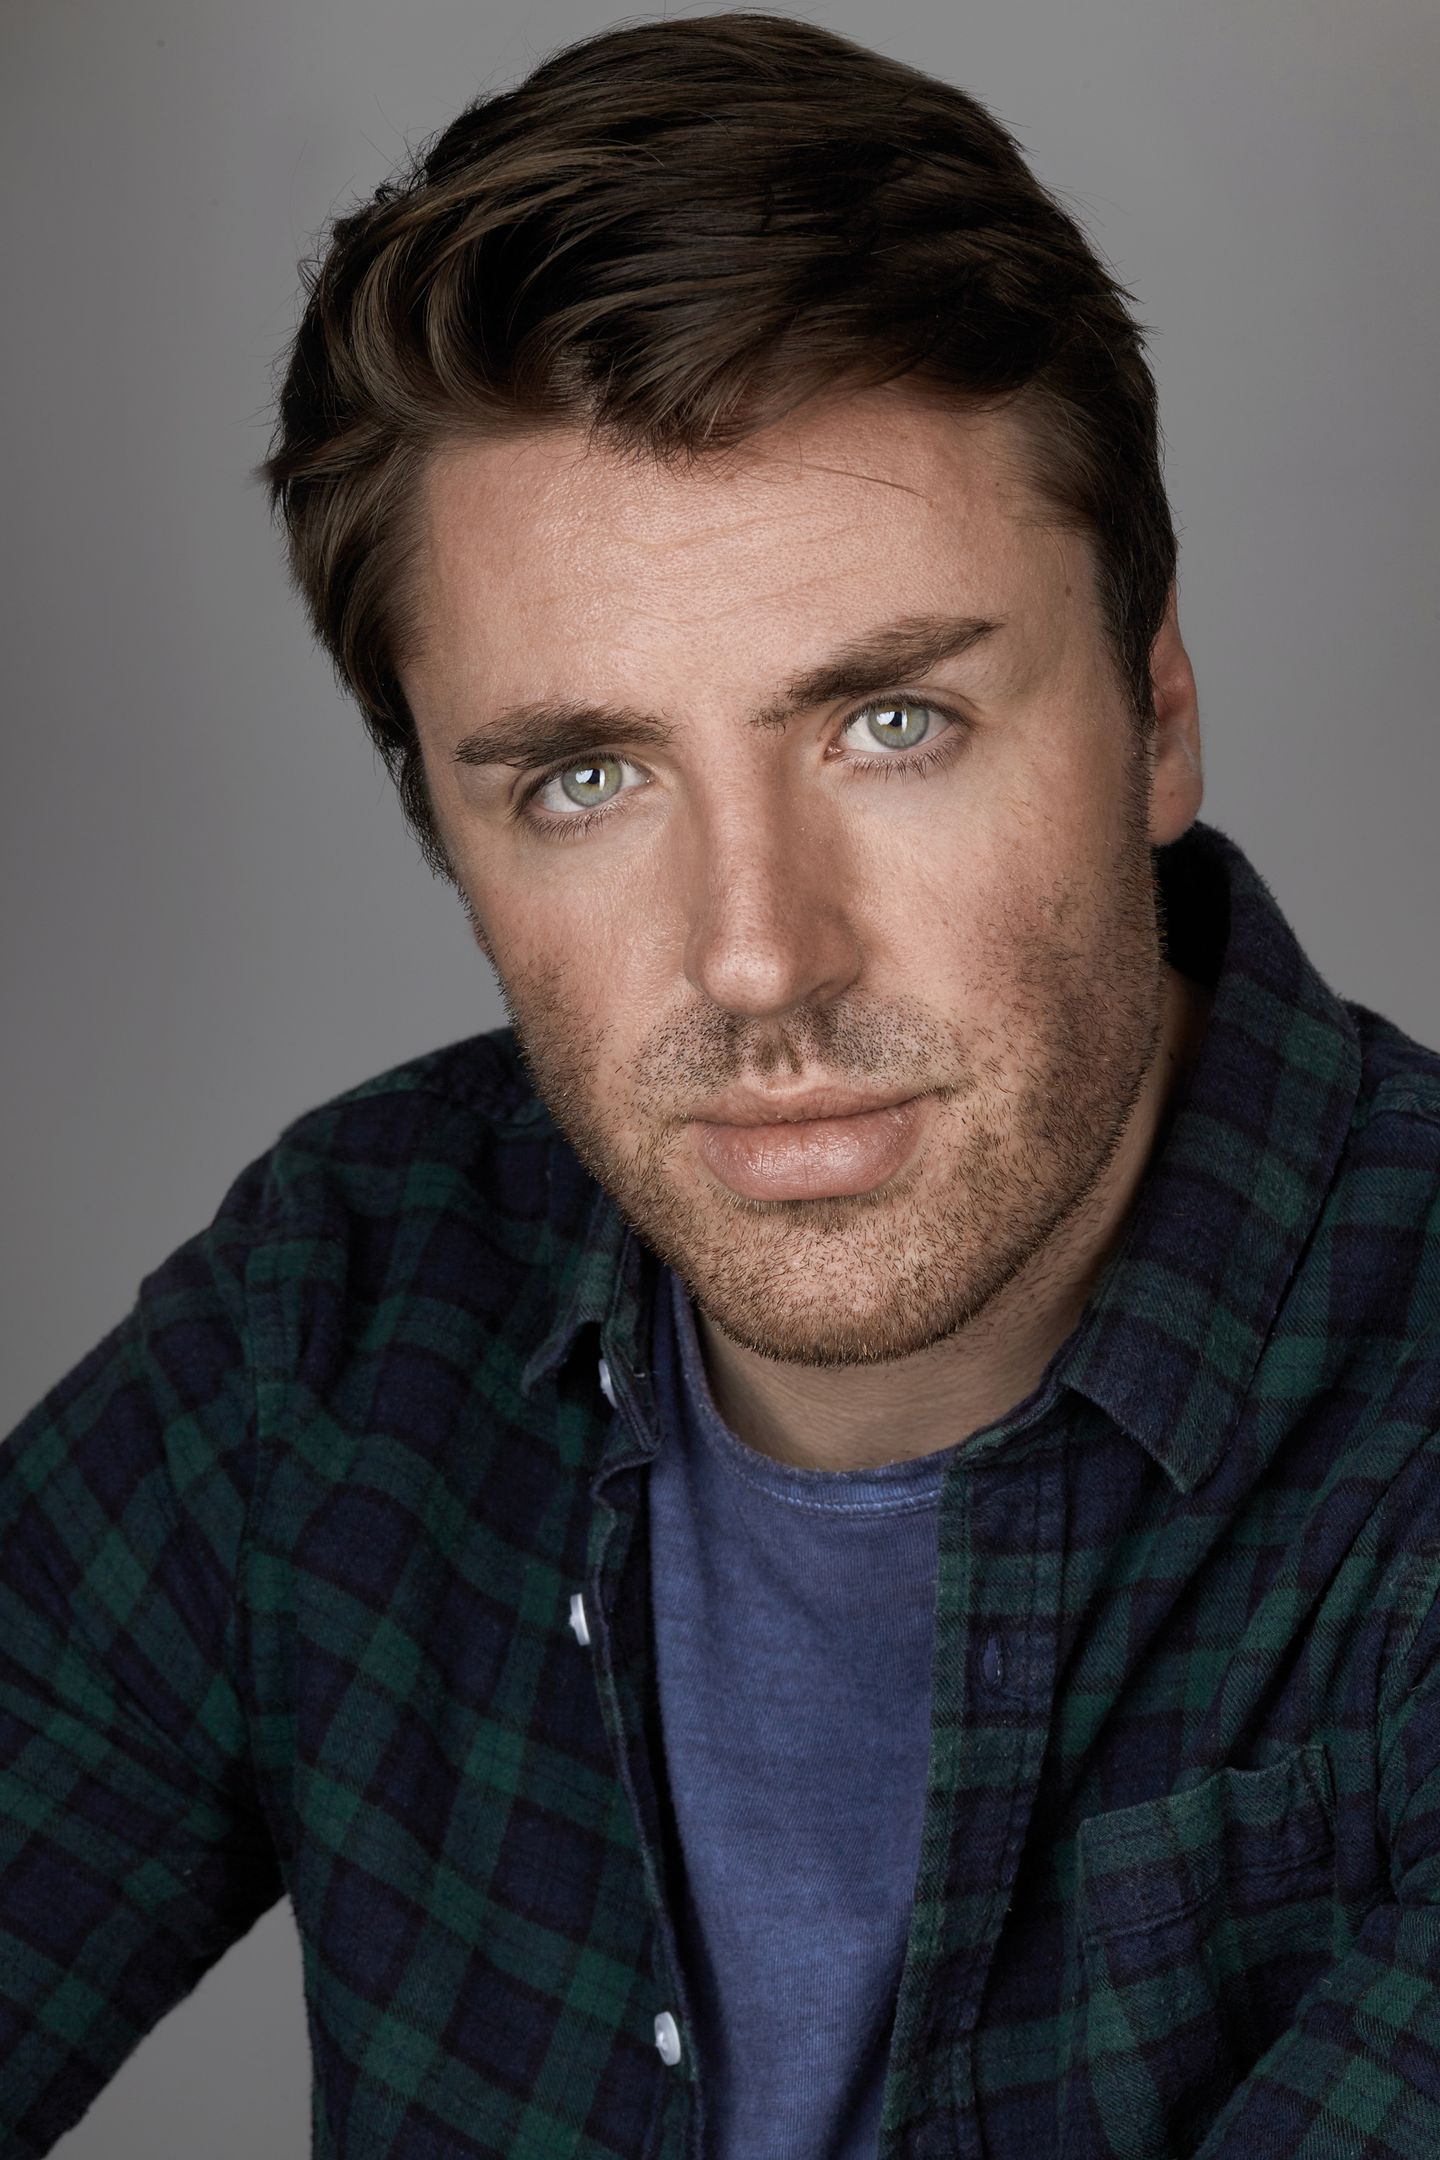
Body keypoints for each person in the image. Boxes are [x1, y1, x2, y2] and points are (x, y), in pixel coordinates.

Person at [2, 12, 1437, 2157]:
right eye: (585, 777)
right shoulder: (341, 1317)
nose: (761, 956)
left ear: (1153, 718)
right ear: (448, 831)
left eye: (893, 725)